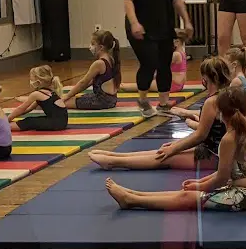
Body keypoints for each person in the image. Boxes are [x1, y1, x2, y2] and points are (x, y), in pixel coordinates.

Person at [106, 86, 246, 212]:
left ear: (220, 112)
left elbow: (222, 177)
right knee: (187, 193)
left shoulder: (230, 138)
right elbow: (226, 171)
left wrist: (201, 186)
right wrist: (200, 181)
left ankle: (131, 200)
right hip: (243, 190)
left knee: (187, 197)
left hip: (245, 196)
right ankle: (132, 194)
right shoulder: (241, 130)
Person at [88, 57, 231, 171]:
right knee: (162, 151)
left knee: (164, 157)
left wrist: (175, 148)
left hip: (214, 155)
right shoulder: (224, 96)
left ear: (209, 78)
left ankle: (113, 162)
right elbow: (209, 131)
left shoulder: (212, 101)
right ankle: (115, 156)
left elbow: (200, 135)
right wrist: (176, 145)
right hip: (214, 149)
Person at [124, 0, 194, 118]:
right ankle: (142, 99)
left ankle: (164, 103)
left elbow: (177, 0)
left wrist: (187, 21)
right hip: (142, 27)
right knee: (149, 62)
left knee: (164, 63)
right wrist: (134, 23)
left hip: (164, 27)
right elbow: (128, 0)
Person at [61, 30, 121, 110]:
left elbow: (83, 83)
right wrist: (72, 95)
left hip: (102, 101)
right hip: (111, 99)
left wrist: (66, 96)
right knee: (75, 98)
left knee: (62, 103)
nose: (89, 47)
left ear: (101, 47)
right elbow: (89, 82)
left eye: (93, 44)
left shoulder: (99, 63)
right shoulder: (111, 59)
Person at [120, 28, 189, 94]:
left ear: (177, 42)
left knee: (139, 86)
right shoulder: (182, 53)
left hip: (172, 85)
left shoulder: (176, 54)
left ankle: (119, 87)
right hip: (177, 85)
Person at [8, 65, 68, 132]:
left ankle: (4, 127)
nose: (30, 81)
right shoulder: (50, 91)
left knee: (29, 121)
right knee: (31, 120)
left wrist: (7, 119)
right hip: (61, 122)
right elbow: (29, 109)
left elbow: (21, 108)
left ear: (38, 81)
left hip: (56, 123)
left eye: (32, 79)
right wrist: (14, 116)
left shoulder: (36, 94)